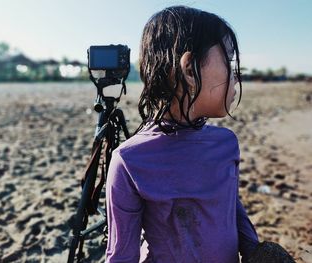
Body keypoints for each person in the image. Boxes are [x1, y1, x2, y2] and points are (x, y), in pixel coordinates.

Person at [105, 5, 259, 263]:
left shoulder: (226, 143)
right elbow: (121, 256)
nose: (237, 76)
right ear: (190, 70)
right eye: (229, 62)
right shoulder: (129, 161)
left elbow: (230, 204)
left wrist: (255, 249)